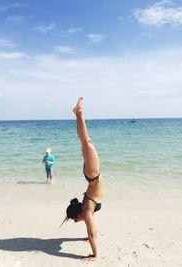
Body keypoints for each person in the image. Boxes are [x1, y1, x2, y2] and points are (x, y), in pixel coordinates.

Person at [63, 97, 103, 262]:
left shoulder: (86, 211)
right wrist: (89, 238)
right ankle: (78, 113)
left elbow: (91, 233)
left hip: (93, 174)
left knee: (86, 141)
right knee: (87, 142)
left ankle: (78, 113)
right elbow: (92, 232)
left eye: (75, 219)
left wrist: (94, 255)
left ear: (79, 214)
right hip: (91, 176)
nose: (77, 221)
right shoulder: (86, 210)